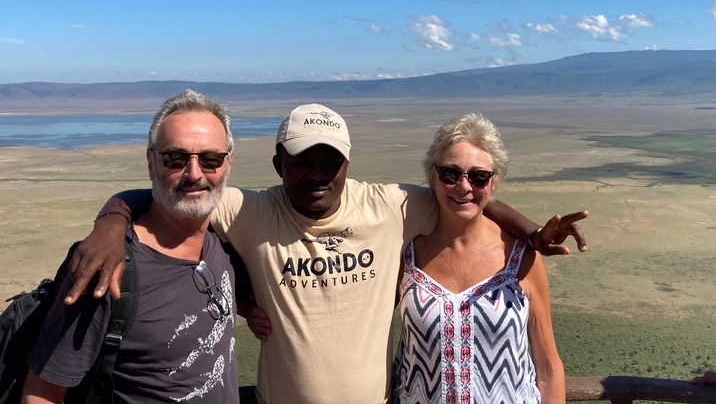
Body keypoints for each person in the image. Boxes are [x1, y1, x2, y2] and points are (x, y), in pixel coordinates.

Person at [66, 103, 587, 404]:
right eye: (302, 161)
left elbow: (471, 198)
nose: (318, 172)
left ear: (347, 163)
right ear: (277, 164)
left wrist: (534, 232)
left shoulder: (391, 205)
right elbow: (183, 190)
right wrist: (112, 221)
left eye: (330, 161)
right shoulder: (249, 211)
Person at [21, 90, 244, 403]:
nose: (194, 173)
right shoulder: (107, 268)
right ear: (152, 163)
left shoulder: (225, 239)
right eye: (176, 158)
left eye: (210, 159)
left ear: (228, 164)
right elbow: (42, 393)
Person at [392, 114, 566, 403]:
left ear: (493, 183)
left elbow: (548, 368)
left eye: (478, 176)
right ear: (432, 178)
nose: (464, 186)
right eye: (450, 174)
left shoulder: (521, 259)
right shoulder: (405, 255)